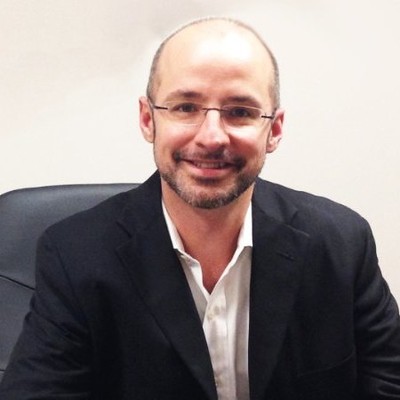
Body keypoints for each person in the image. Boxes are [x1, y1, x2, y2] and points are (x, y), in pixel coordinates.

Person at [1, 16, 399, 400]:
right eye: (185, 107)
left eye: (240, 112)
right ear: (148, 120)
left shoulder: (341, 244)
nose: (211, 137)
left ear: (274, 130)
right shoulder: (74, 256)